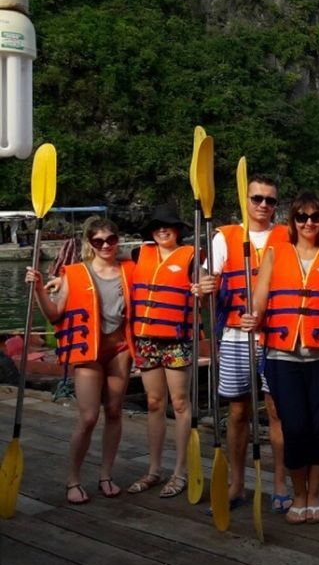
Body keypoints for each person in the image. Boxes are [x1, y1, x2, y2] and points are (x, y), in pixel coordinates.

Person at [242, 193, 319, 525]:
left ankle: (314, 496)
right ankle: (298, 493)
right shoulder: (276, 254)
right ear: (292, 221)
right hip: (282, 357)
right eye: (302, 217)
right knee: (294, 428)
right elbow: (260, 299)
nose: (308, 223)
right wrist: (253, 317)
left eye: (315, 217)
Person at [26, 216, 135, 504]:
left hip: (120, 349)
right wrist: (38, 287)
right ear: (90, 243)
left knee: (114, 411)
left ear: (117, 239)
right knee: (88, 417)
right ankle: (72, 479)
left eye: (111, 239)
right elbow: (54, 314)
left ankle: (106, 475)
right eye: (99, 241)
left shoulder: (130, 269)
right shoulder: (72, 274)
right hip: (88, 352)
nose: (106, 245)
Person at [208, 174, 292, 513]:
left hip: (277, 336)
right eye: (257, 198)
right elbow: (210, 279)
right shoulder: (224, 237)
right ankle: (237, 482)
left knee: (277, 412)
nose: (263, 206)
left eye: (270, 200)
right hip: (236, 336)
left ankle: (280, 484)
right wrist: (203, 287)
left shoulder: (287, 236)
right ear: (246, 199)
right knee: (239, 411)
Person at [127, 204, 203, 498]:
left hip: (176, 340)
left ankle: (180, 471)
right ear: (151, 230)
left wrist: (206, 290)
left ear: (177, 230)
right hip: (147, 339)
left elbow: (207, 289)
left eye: (168, 225)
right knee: (155, 402)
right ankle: (154, 470)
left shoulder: (192, 258)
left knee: (181, 403)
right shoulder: (139, 254)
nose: (162, 230)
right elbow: (109, 271)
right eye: (157, 226)